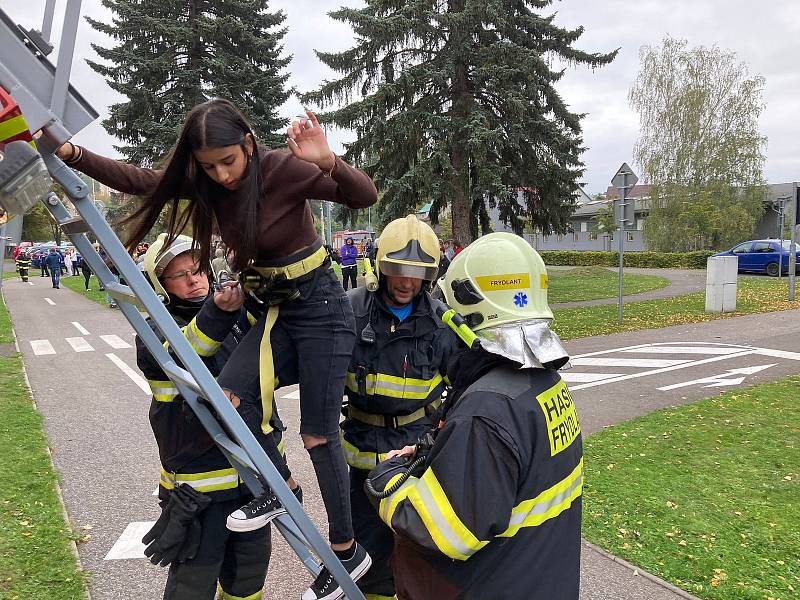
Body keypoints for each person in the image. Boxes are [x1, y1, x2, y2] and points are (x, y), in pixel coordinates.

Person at [55, 98, 377, 600]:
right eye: (209, 166)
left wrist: (328, 161)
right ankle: (280, 491)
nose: (222, 175)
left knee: (317, 434)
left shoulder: (282, 169)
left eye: (228, 160)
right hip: (273, 311)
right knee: (225, 394)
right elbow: (141, 180)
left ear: (248, 143)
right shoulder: (207, 183)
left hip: (321, 312)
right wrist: (71, 151)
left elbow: (363, 197)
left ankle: (345, 549)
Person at [366, 232, 582, 600]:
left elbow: (441, 531)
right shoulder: (544, 384)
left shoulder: (485, 414)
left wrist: (388, 477)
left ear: (469, 318)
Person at [137, 233, 291, 599]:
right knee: (192, 586)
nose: (194, 280)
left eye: (198, 269)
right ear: (162, 284)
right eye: (180, 275)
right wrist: (219, 312)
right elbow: (191, 350)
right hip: (200, 492)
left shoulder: (235, 314)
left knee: (248, 581)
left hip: (252, 484)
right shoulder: (153, 330)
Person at [342, 215, 458, 600]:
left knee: (415, 554)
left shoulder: (442, 324)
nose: (407, 282)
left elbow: (464, 388)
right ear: (381, 267)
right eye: (398, 271)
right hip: (361, 459)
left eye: (417, 273)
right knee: (368, 557)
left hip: (416, 460)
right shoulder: (352, 312)